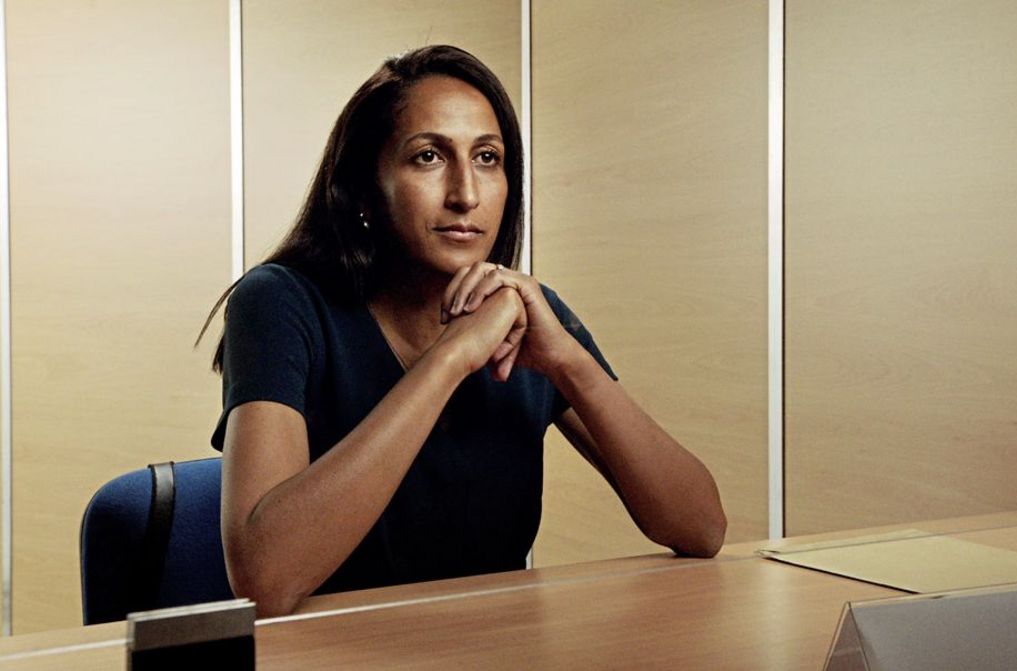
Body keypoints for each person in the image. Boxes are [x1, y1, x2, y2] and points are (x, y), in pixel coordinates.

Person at [202, 45, 726, 617]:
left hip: (494, 649)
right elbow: (265, 578)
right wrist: (450, 360)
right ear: (362, 191)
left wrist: (568, 363)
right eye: (428, 157)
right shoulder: (281, 302)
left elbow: (701, 527)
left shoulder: (527, 315)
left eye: (487, 158)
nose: (466, 194)